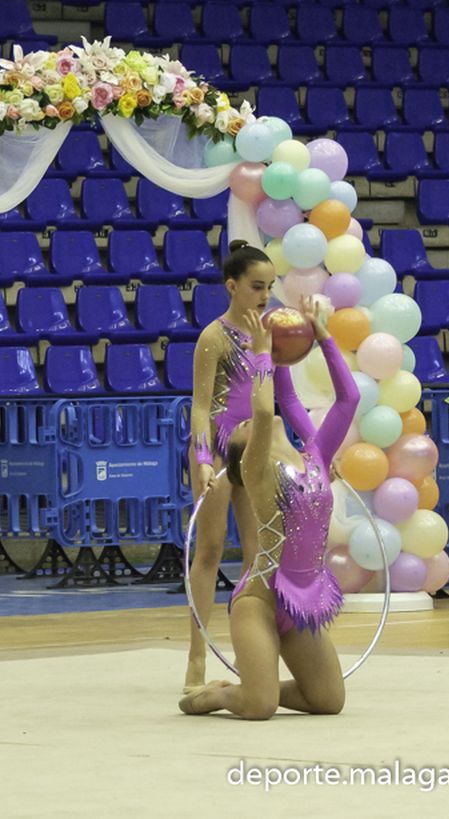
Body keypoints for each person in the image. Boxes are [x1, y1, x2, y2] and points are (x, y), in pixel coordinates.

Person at [179, 297, 352, 720]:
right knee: (258, 708)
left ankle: (263, 685)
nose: (247, 424)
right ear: (246, 452)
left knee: (329, 701)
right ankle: (216, 695)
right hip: (259, 602)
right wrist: (262, 352)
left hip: (301, 603)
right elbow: (261, 407)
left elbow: (348, 400)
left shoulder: (316, 456)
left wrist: (324, 334)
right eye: (241, 431)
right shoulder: (257, 469)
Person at [183, 242, 273, 693]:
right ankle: (197, 652)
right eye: (257, 287)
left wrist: (316, 445)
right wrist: (201, 460)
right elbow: (200, 407)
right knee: (210, 549)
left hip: (253, 446)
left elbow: (284, 400)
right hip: (217, 447)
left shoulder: (268, 336)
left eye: (270, 288)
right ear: (233, 286)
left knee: (258, 553)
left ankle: (247, 645)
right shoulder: (213, 337)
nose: (264, 296)